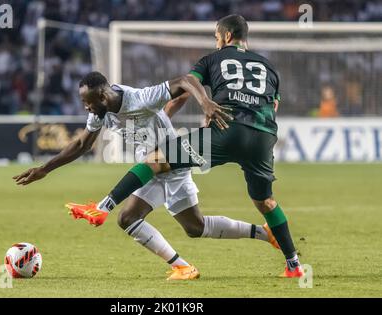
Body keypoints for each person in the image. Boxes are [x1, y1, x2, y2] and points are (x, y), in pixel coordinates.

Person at [66, 14, 304, 278]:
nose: (216, 43)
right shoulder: (268, 66)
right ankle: (293, 265)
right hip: (263, 136)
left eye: (216, 38)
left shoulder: (212, 59)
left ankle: (103, 207)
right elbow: (273, 107)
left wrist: (169, 114)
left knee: (156, 160)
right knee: (266, 202)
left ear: (225, 36)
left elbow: (183, 89)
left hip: (225, 130)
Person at [13, 71, 280, 280]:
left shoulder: (140, 98)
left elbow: (185, 81)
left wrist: (205, 102)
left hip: (172, 164)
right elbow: (82, 145)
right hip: (149, 168)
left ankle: (199, 261)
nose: (86, 108)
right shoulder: (101, 112)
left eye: (88, 103)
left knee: (185, 226)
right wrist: (44, 170)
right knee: (176, 225)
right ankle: (248, 240)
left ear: (103, 98)